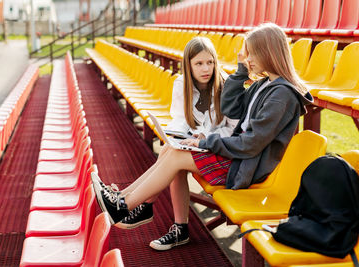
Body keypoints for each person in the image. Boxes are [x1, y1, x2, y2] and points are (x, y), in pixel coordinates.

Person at [92, 23, 313, 251]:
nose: (248, 58)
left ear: (268, 53)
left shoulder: (281, 94)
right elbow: (231, 108)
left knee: (177, 156)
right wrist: (240, 73)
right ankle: (122, 199)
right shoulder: (264, 85)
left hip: (245, 166)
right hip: (240, 156)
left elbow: (251, 144)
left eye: (251, 54)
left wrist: (205, 143)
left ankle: (125, 205)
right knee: (172, 149)